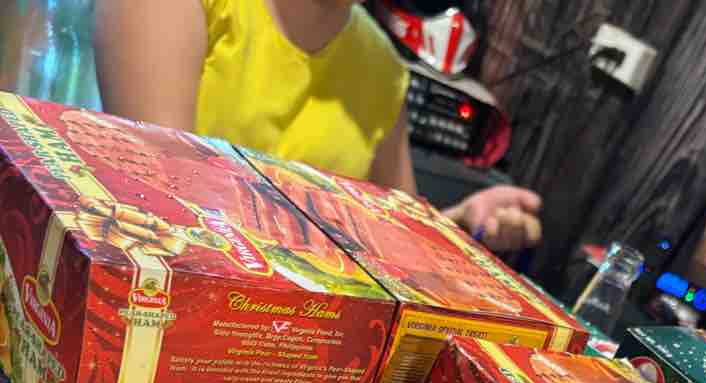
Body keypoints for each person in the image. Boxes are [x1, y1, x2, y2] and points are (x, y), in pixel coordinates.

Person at [93, 0, 542, 255]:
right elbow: (157, 209)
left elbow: (390, 238)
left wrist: (457, 224)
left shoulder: (382, 67)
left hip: (290, 341)